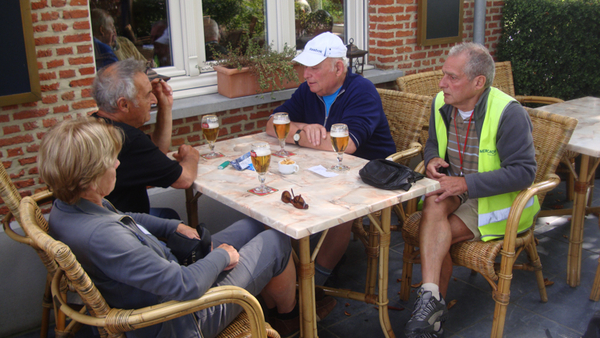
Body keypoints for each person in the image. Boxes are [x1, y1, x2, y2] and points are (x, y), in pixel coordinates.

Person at [38, 117, 319, 338]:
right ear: (90, 176)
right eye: (111, 160)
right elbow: (186, 285)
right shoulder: (102, 237)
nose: (118, 163)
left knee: (255, 224)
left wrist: (173, 226)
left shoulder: (68, 206)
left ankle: (270, 299)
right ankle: (287, 318)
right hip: (183, 319)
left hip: (167, 278)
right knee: (276, 241)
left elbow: (127, 217)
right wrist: (223, 257)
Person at [405, 42, 538, 338]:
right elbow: (430, 142)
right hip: (457, 187)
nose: (442, 84)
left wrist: (466, 183)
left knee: (438, 234)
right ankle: (431, 299)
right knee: (433, 206)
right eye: (443, 75)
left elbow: (525, 173)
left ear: (478, 83)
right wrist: (431, 159)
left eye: (452, 77)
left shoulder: (508, 113)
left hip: (499, 201)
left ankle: (430, 318)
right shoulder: (441, 102)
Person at [266, 31, 396, 286]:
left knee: (338, 209)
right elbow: (272, 124)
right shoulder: (308, 90)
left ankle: (315, 284)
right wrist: (304, 130)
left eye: (314, 68)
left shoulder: (362, 91)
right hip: (322, 167)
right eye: (305, 67)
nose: (306, 74)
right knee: (277, 190)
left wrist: (298, 133)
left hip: (369, 174)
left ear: (338, 67)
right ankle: (287, 268)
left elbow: (346, 145)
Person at [91, 59, 197, 218]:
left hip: (97, 221)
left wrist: (165, 107)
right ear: (124, 105)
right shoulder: (127, 139)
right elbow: (184, 180)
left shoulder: (94, 125)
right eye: (148, 95)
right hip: (124, 228)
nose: (153, 100)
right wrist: (191, 157)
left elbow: (156, 153)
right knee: (175, 225)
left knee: (169, 216)